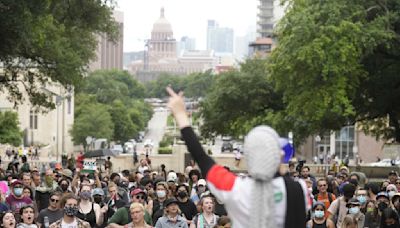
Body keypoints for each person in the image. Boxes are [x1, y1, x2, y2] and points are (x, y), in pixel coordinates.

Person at [166, 87, 310, 228]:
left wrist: (180, 115)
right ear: (280, 154)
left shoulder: (236, 189)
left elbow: (202, 158)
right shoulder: (299, 189)